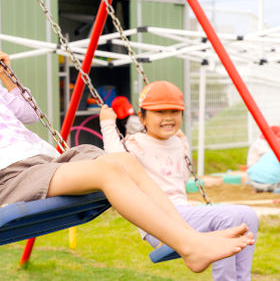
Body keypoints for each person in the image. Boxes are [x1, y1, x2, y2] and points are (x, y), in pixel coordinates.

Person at [0, 1, 254, 273]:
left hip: (40, 164)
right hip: (3, 180)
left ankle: (181, 238)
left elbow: (27, 114)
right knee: (108, 175)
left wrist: (5, 74)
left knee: (121, 160)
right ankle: (191, 245)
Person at [100, 80, 259, 280]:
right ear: (142, 118)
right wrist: (107, 124)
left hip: (181, 214)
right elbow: (114, 160)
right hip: (157, 220)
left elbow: (181, 179)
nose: (168, 118)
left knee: (249, 216)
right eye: (160, 112)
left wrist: (183, 144)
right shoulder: (135, 143)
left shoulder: (176, 142)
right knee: (228, 219)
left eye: (174, 112)